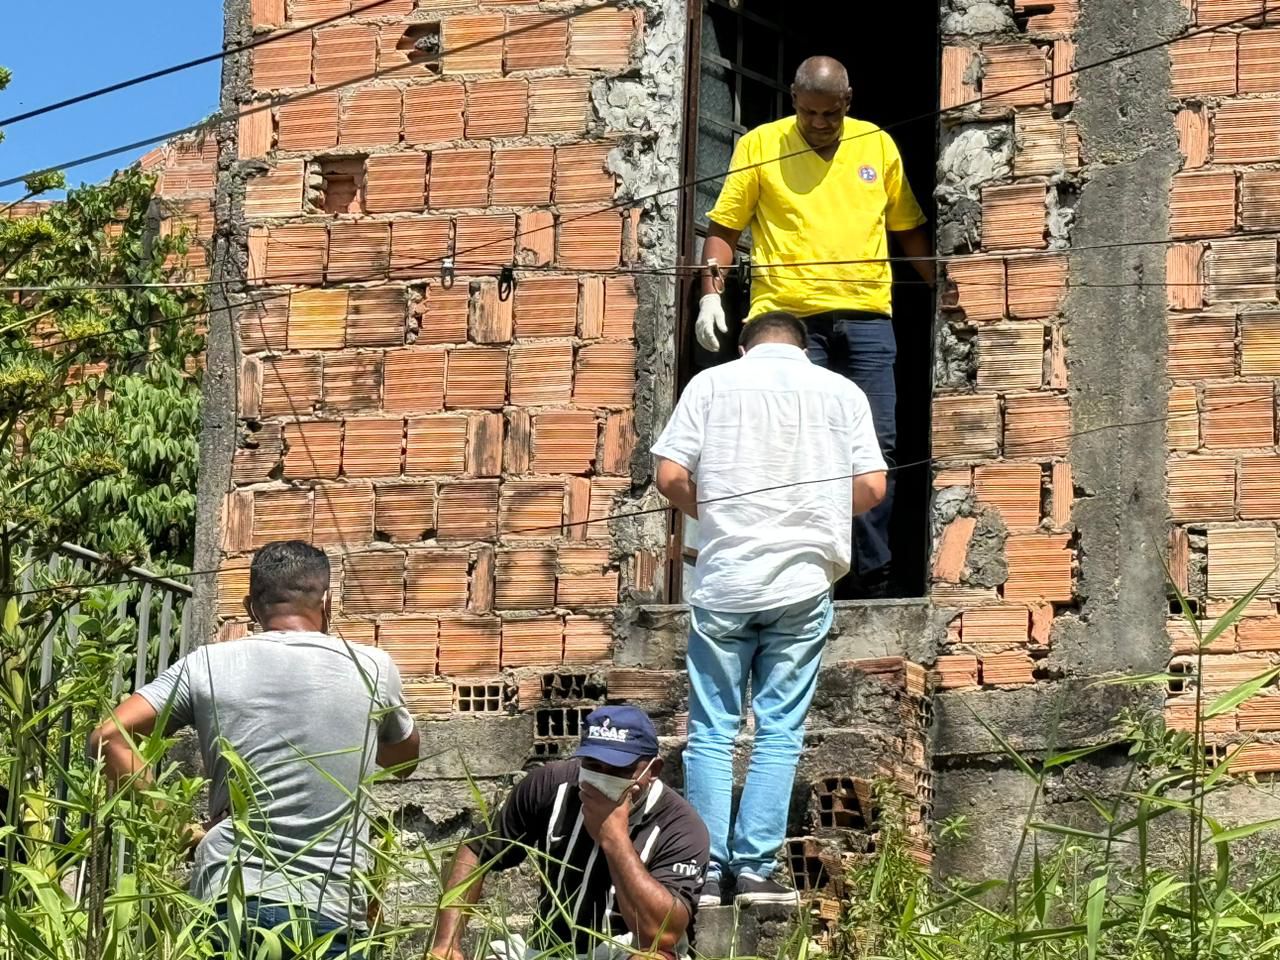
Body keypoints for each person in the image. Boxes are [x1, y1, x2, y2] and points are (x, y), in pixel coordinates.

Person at [652, 311, 888, 906]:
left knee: (711, 730)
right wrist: (817, 515)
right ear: (804, 348)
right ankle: (755, 872)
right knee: (779, 730)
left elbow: (669, 475)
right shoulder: (842, 391)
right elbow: (872, 488)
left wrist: (722, 516)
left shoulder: (710, 384)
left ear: (743, 345)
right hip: (803, 582)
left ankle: (702, 873)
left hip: (727, 580)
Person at [88, 540, 421, 959]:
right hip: (330, 906)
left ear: (250, 607)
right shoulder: (372, 667)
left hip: (229, 901)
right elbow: (403, 761)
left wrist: (175, 829)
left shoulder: (207, 663)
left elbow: (109, 736)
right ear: (329, 602)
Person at [696, 55, 932, 599]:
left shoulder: (875, 144)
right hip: (787, 323)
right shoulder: (761, 144)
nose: (819, 124)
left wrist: (948, 287)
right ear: (793, 100)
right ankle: (796, 579)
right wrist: (711, 296)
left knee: (876, 447)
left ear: (848, 102)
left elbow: (909, 229)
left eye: (829, 114)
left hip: (868, 318)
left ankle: (870, 577)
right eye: (808, 113)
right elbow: (724, 229)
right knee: (792, 445)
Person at [428, 706, 709, 960]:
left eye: (616, 770)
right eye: (593, 766)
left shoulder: (681, 827)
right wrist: (447, 942)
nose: (600, 778)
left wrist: (615, 838)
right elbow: (476, 851)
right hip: (548, 949)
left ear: (653, 770)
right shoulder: (551, 786)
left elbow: (662, 935)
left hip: (628, 951)